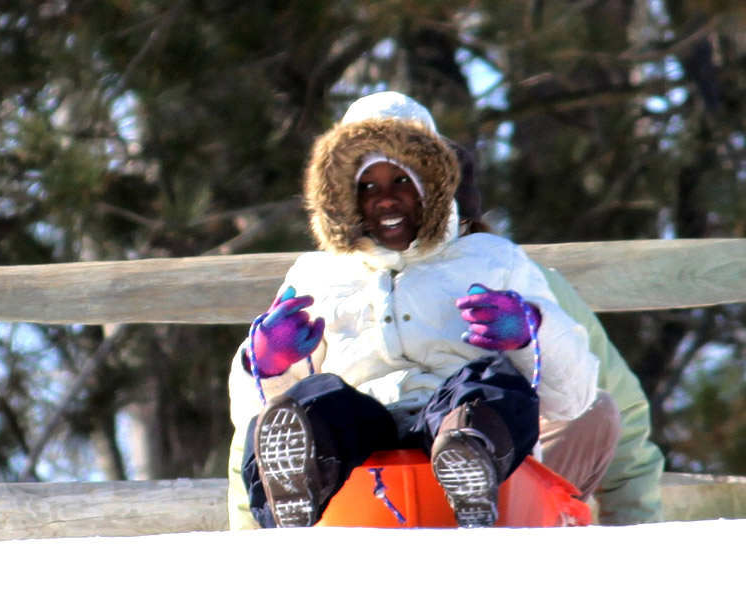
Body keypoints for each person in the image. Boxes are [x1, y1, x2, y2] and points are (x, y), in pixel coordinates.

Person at [225, 91, 606, 529]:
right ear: (343, 197)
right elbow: (250, 415)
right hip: (357, 447)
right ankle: (299, 483)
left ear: (433, 184)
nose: (384, 200)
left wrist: (529, 334)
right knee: (312, 400)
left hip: (449, 417)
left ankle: (469, 457)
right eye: (367, 187)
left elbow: (572, 400)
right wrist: (267, 364)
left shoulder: (490, 260)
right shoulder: (316, 275)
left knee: (489, 385)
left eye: (401, 181)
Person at [447, 142, 664, 525]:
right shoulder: (332, 285)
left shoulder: (526, 283)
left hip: (513, 498)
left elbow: (619, 414)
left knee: (591, 411)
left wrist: (634, 535)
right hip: (365, 497)